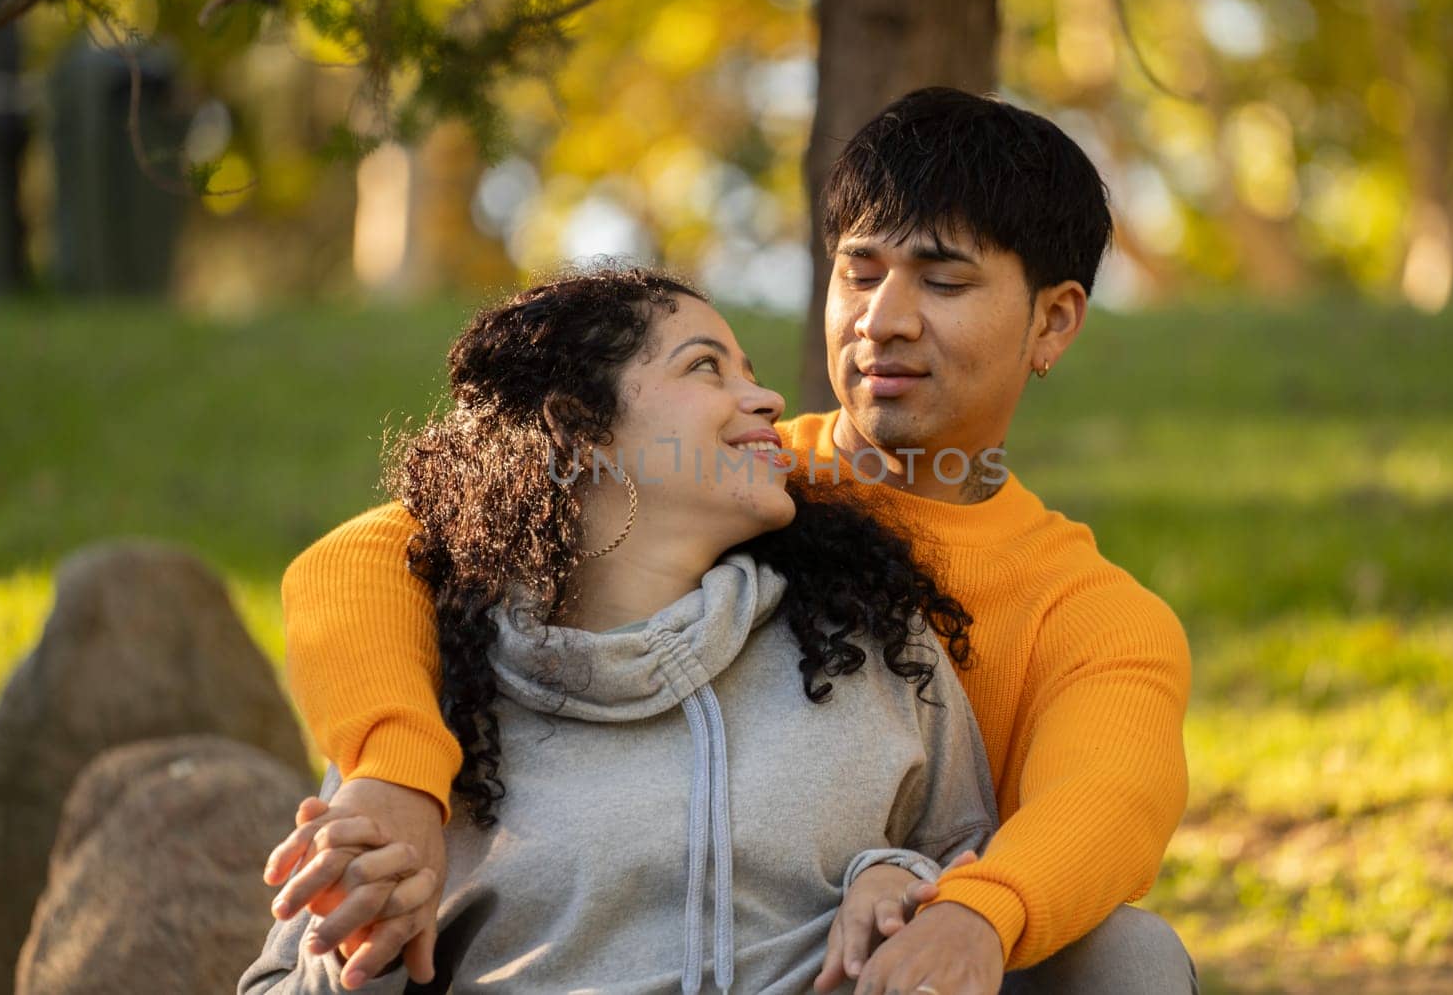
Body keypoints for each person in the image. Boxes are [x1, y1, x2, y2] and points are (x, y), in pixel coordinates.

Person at [265, 88, 1198, 993]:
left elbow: (1107, 802)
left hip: (920, 955)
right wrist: (397, 778)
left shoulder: (1093, 616)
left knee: (1127, 954)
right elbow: (371, 557)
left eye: (945, 280)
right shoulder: (721, 480)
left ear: (1055, 320)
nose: (884, 320)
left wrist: (972, 909)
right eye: (860, 272)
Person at [242, 267, 1001, 993]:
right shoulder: (430, 689)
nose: (767, 397)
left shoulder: (867, 642)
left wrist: (903, 875)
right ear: (579, 431)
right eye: (708, 368)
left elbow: (981, 876)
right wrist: (358, 949)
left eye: (750, 370)